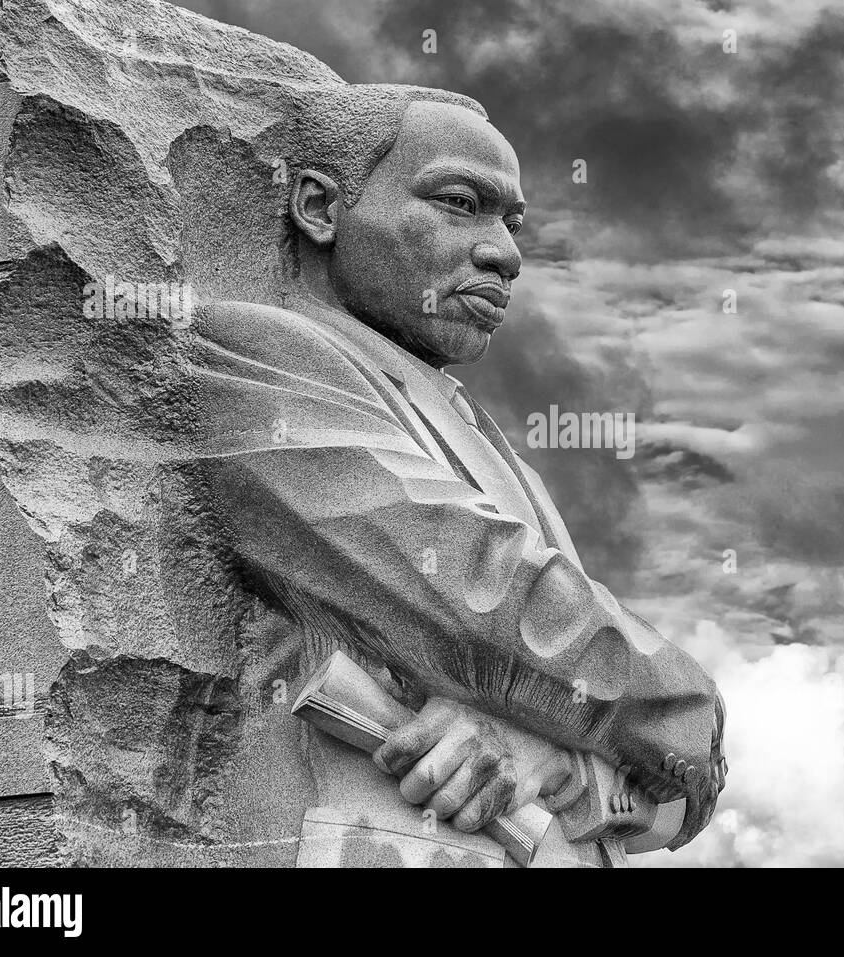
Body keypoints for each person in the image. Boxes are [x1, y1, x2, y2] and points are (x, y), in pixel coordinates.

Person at [184, 84, 726, 865]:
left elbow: (680, 805)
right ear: (320, 208)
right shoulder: (254, 350)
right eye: (460, 202)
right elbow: (479, 595)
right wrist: (686, 708)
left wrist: (559, 763)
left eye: (511, 221)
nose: (505, 252)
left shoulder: (496, 449)